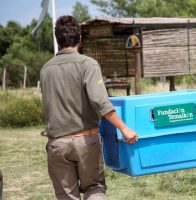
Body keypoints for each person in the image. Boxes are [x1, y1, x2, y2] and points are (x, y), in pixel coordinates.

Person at [40, 15, 138, 200]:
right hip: (85, 142)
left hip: (56, 144)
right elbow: (100, 102)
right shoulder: (88, 64)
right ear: (80, 39)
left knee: (66, 196)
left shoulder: (46, 69)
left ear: (58, 40)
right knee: (94, 189)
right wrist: (124, 128)